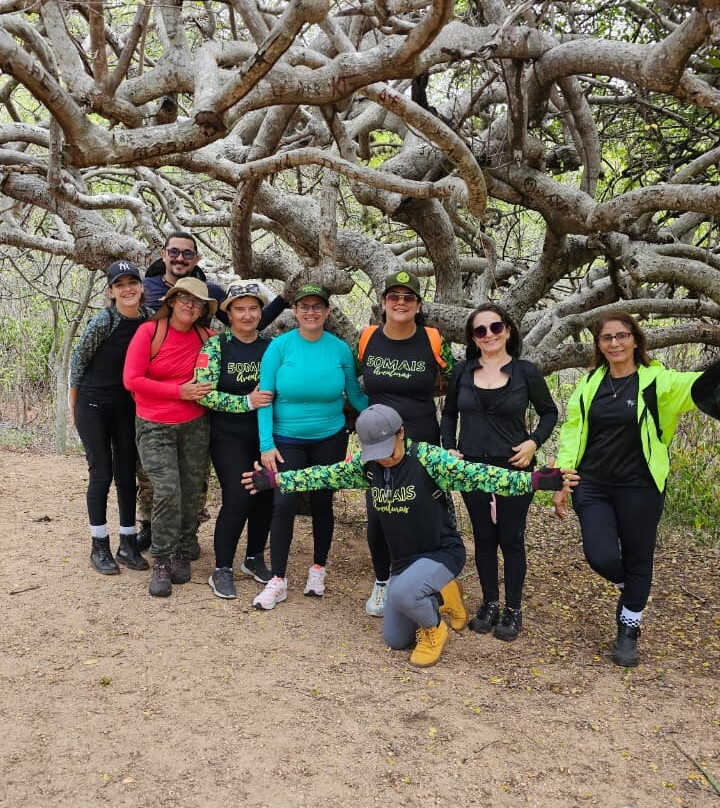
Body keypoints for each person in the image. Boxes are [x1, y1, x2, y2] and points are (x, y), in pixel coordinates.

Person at [243, 405, 579, 667]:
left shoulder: (430, 459)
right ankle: (443, 595)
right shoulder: (369, 466)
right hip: (404, 562)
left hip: (441, 553)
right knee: (394, 638)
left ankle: (435, 629)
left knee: (403, 594)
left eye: (389, 448)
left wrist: (534, 482)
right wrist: (276, 481)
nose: (384, 458)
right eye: (376, 452)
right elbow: (325, 475)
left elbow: (482, 476)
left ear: (402, 432)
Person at [553, 313, 720, 667]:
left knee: (639, 557)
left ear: (635, 340)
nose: (614, 343)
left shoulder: (658, 382)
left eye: (621, 336)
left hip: (640, 487)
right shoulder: (589, 384)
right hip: (593, 484)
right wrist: (561, 478)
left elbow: (700, 387)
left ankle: (628, 631)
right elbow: (572, 430)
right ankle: (632, 589)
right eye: (606, 338)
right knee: (601, 556)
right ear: (598, 345)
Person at [136, 231, 289, 552]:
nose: (180, 258)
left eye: (187, 253)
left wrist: (286, 298)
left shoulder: (211, 322)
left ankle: (186, 540)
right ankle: (150, 537)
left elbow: (245, 320)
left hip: (195, 417)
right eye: (174, 252)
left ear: (196, 259)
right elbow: (131, 366)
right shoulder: (145, 294)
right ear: (163, 254)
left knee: (192, 485)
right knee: (155, 483)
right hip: (151, 405)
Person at [440, 304, 558, 641]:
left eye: (495, 327)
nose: (489, 335)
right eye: (480, 330)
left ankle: (513, 608)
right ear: (473, 338)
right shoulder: (462, 372)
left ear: (507, 330)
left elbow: (549, 413)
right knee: (483, 536)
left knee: (511, 537)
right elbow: (448, 414)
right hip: (472, 467)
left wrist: (534, 442)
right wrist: (450, 446)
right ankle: (490, 602)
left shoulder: (526, 372)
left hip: (514, 467)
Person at [253, 283, 369, 609]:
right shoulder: (278, 348)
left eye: (318, 306)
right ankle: (277, 579)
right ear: (295, 311)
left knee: (321, 503)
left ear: (327, 311)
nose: (311, 312)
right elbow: (264, 398)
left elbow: (355, 395)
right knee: (284, 503)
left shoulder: (339, 350)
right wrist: (265, 444)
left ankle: (318, 568)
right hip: (286, 439)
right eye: (304, 306)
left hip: (329, 437)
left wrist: (386, 417)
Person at [355, 270, 455, 617]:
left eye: (408, 297)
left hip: (422, 439)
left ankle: (428, 580)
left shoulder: (432, 340)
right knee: (379, 513)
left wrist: (453, 438)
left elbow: (455, 383)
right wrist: (361, 417)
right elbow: (355, 382)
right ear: (383, 303)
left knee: (426, 512)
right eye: (394, 297)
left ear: (417, 304)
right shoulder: (367, 337)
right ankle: (383, 581)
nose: (400, 303)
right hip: (377, 444)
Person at [123, 276, 216, 597]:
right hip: (154, 425)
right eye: (185, 299)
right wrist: (180, 391)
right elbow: (131, 380)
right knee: (166, 490)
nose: (190, 306)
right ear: (173, 301)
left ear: (204, 309)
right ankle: (161, 558)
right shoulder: (150, 331)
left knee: (191, 490)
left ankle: (183, 548)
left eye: (197, 302)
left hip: (196, 425)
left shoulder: (209, 338)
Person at [70, 260, 153, 574]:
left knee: (126, 474)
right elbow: (79, 361)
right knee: (101, 472)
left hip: (127, 407)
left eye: (133, 282)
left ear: (141, 288)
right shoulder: (105, 320)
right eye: (120, 284)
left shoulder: (148, 320)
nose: (127, 289)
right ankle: (99, 545)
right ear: (111, 291)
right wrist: (73, 406)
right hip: (92, 405)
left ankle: (128, 544)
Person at [194, 284, 275, 599]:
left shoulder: (272, 346)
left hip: (266, 436)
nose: (247, 315)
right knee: (238, 499)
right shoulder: (215, 347)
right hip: (228, 436)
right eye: (239, 309)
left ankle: (254, 559)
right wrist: (246, 402)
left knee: (266, 497)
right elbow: (204, 393)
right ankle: (222, 568)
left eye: (253, 308)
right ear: (228, 313)